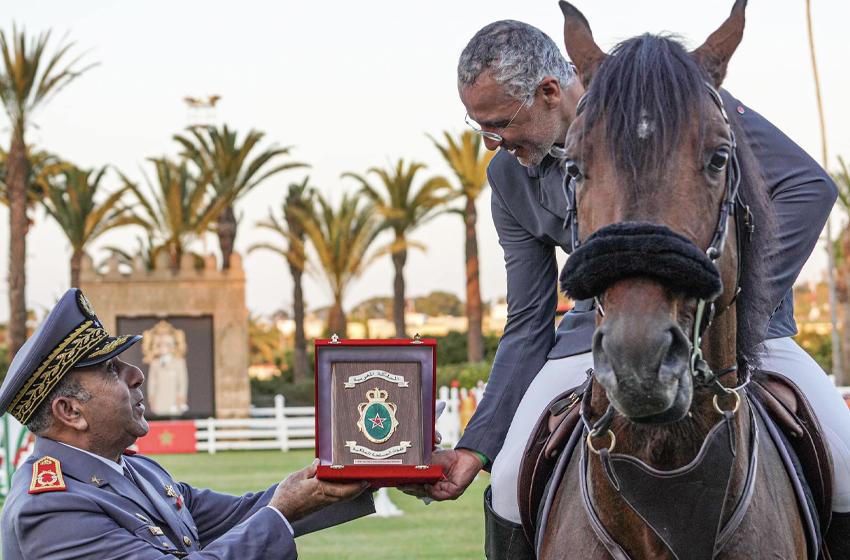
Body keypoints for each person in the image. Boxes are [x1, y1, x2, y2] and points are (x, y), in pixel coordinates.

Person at [402, 20, 847, 559]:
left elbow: (808, 186)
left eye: (499, 126)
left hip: (743, 332)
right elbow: (528, 319)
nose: (493, 145)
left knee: (846, 467)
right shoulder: (509, 178)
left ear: (548, 92)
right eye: (482, 130)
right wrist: (474, 449)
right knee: (511, 481)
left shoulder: (678, 98)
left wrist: (743, 308)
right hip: (594, 340)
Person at [0, 288, 374, 560]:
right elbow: (276, 508)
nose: (137, 375)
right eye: (111, 369)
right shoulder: (51, 507)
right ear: (71, 412)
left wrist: (381, 465)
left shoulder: (137, 470)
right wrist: (282, 513)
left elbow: (246, 512)